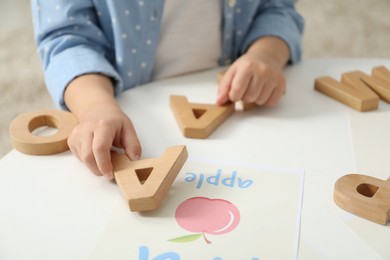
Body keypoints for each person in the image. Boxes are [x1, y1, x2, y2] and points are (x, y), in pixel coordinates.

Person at [31, 0, 304, 180]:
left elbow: (277, 9)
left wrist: (266, 54)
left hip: (237, 111)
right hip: (121, 106)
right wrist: (94, 107)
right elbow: (66, 40)